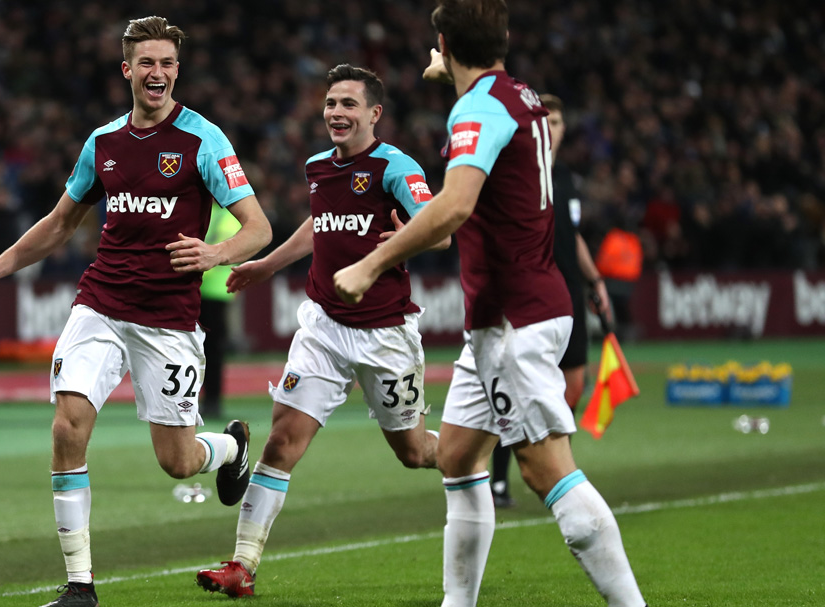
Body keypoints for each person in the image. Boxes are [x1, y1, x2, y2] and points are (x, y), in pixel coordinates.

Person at [0, 16, 272, 607]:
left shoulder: (204, 140)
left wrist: (215, 252)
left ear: (178, 70)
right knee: (68, 427)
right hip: (100, 302)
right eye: (147, 62)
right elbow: (60, 222)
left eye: (168, 63)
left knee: (176, 462)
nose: (158, 73)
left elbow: (259, 228)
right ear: (127, 69)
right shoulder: (103, 143)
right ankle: (79, 587)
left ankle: (229, 448)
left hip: (169, 318)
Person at [334, 2, 647, 606]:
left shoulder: (477, 107)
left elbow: (454, 207)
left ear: (445, 42)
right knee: (454, 455)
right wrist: (450, 73)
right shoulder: (521, 95)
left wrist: (372, 263)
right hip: (506, 316)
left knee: (543, 467)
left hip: (516, 317)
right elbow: (488, 103)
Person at [196, 64, 445, 598]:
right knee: (281, 441)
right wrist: (265, 264)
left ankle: (472, 451)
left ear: (374, 113)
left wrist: (409, 237)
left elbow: (441, 232)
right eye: (331, 102)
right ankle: (242, 566)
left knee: (415, 452)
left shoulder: (395, 167)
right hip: (324, 326)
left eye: (349, 104)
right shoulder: (317, 168)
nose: (336, 112)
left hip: (385, 333)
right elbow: (319, 224)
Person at [489, 94, 612, 508]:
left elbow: (571, 235)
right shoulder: (516, 171)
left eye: (558, 122)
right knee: (515, 388)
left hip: (570, 291)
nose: (553, 128)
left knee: (573, 385)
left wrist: (595, 280)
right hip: (529, 294)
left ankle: (554, 465)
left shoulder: (567, 181)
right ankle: (501, 478)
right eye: (547, 121)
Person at [198, 203, 242, 420]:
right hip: (211, 290)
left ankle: (211, 401)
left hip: (211, 291)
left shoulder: (223, 215)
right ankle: (209, 401)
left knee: (209, 350)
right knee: (210, 350)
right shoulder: (228, 215)